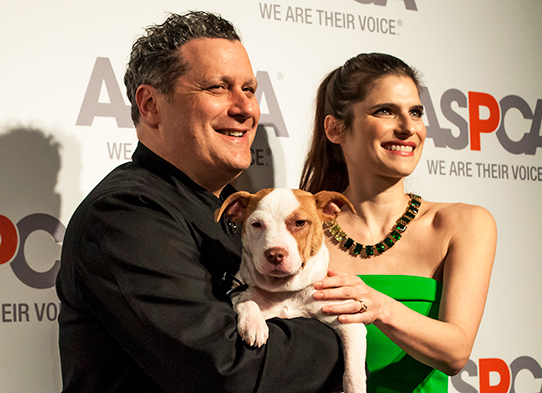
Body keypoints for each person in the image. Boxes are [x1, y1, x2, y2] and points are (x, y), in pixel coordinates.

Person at [56, 11, 344, 393]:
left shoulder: (238, 209)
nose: (246, 108)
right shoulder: (127, 212)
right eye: (217, 88)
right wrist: (344, 333)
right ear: (150, 105)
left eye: (250, 89)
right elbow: (227, 372)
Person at [300, 53, 497, 392]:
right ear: (335, 129)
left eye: (416, 112)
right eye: (385, 111)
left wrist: (377, 306)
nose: (408, 127)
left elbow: (456, 352)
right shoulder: (303, 231)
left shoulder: (463, 224)